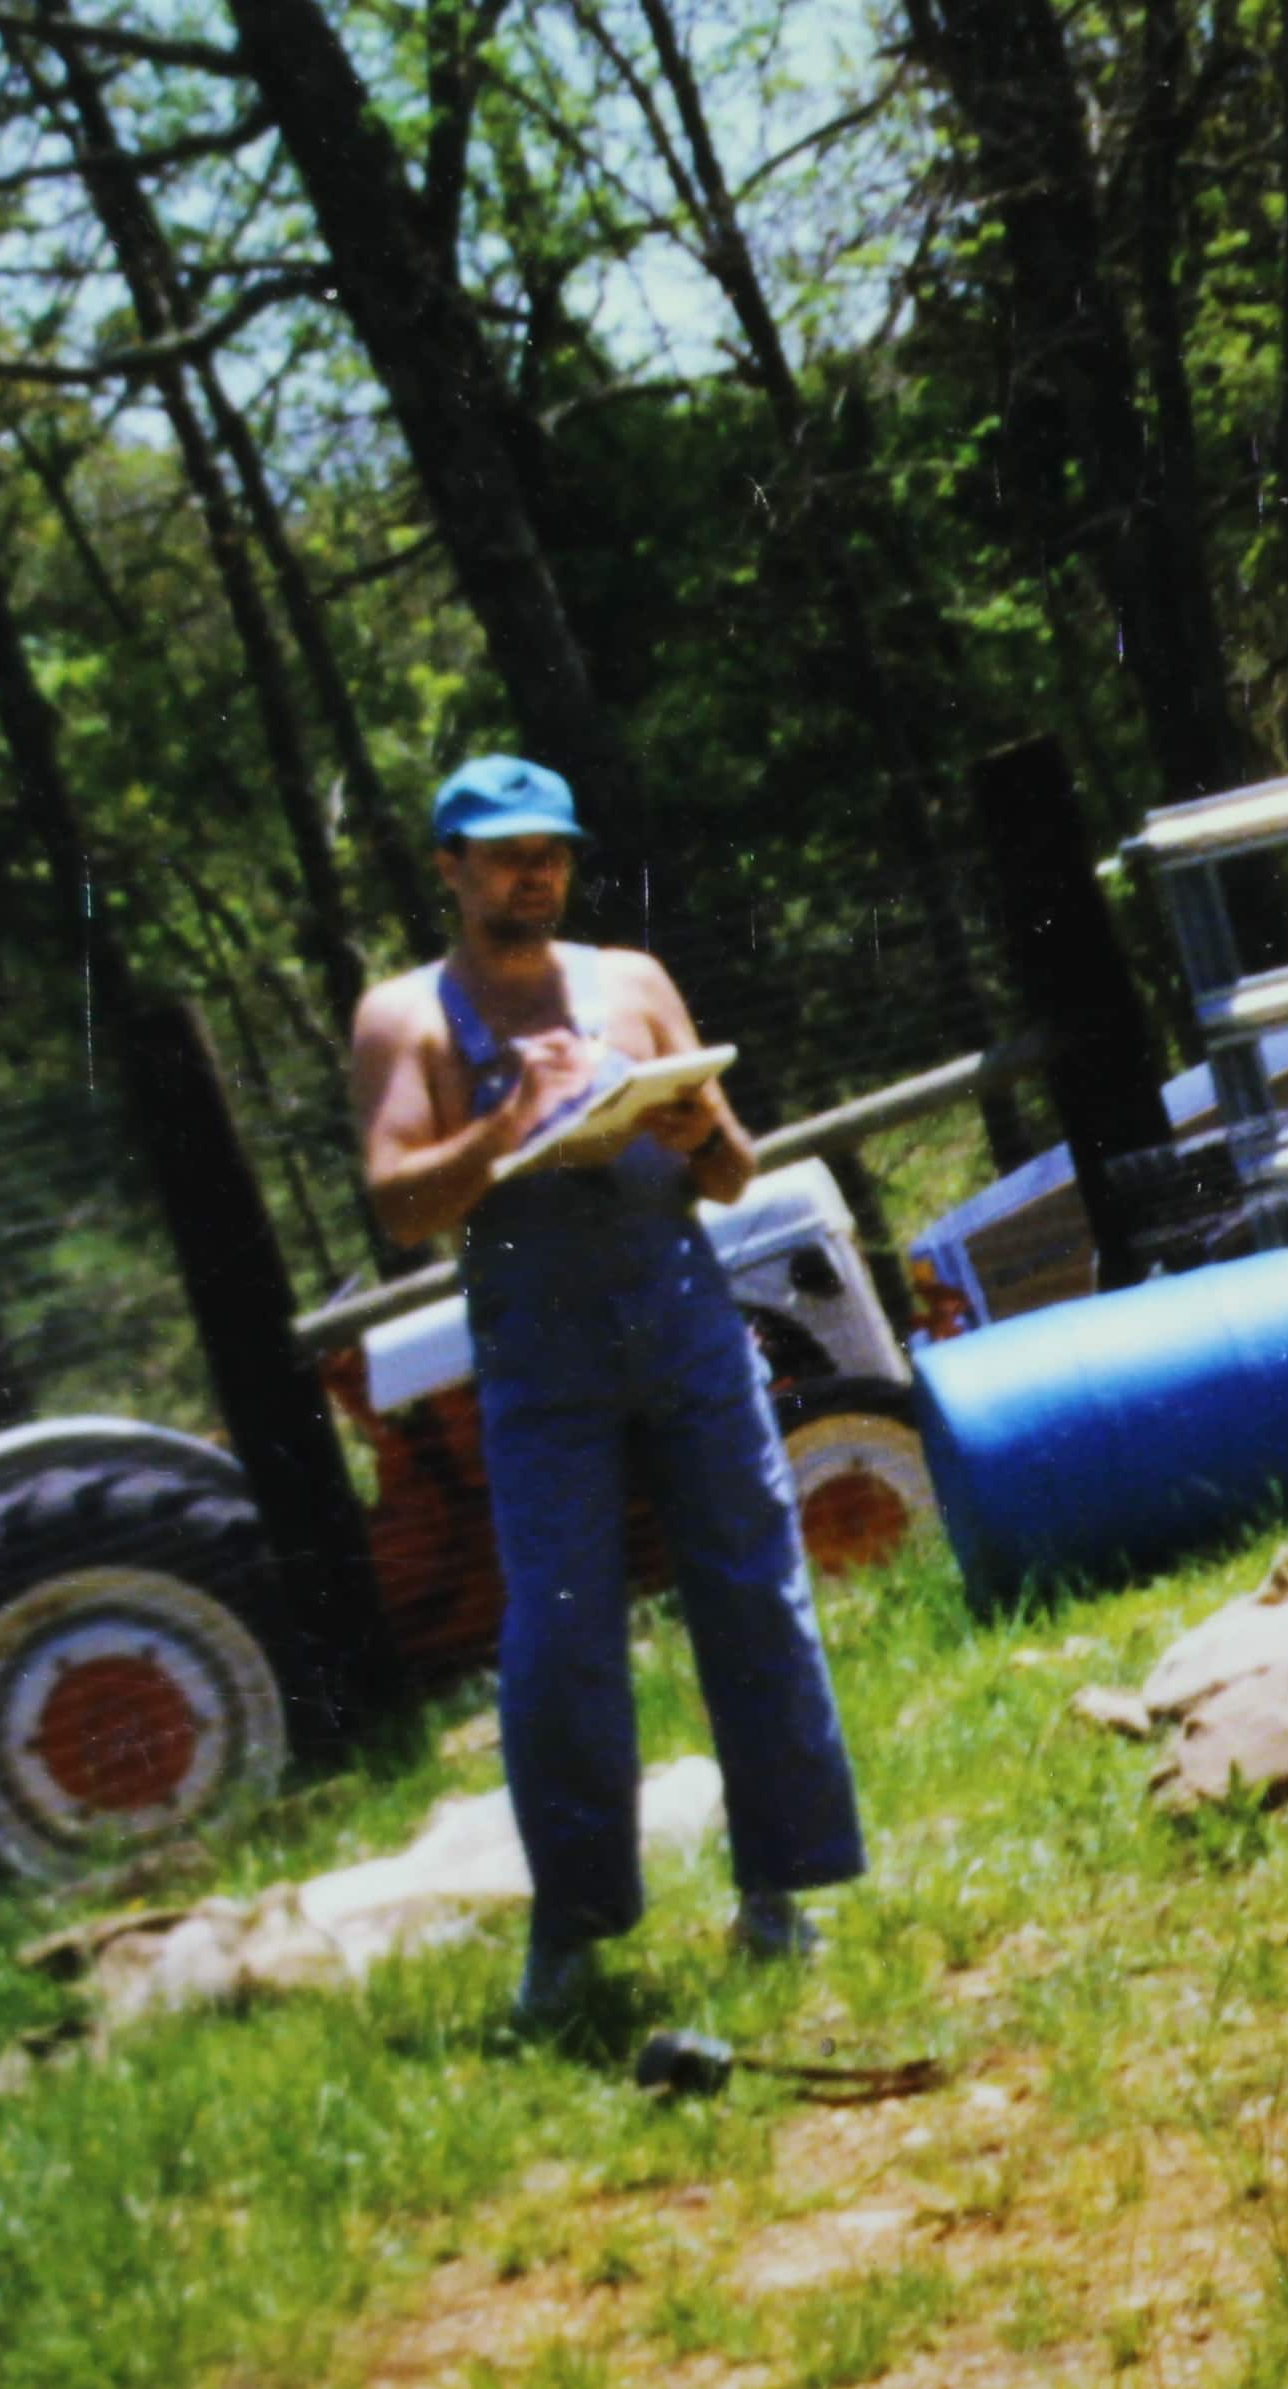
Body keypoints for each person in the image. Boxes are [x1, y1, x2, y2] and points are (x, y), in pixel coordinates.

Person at [351, 755, 862, 2029]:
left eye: (554, 850)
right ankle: (572, 1938)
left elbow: (734, 1169)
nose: (536, 871)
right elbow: (401, 1207)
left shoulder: (630, 982)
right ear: (451, 868)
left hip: (682, 1314)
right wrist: (508, 1119)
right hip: (542, 1351)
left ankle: (784, 1897)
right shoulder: (405, 1016)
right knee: (560, 1638)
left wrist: (698, 1137)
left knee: (755, 1592)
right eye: (508, 851)